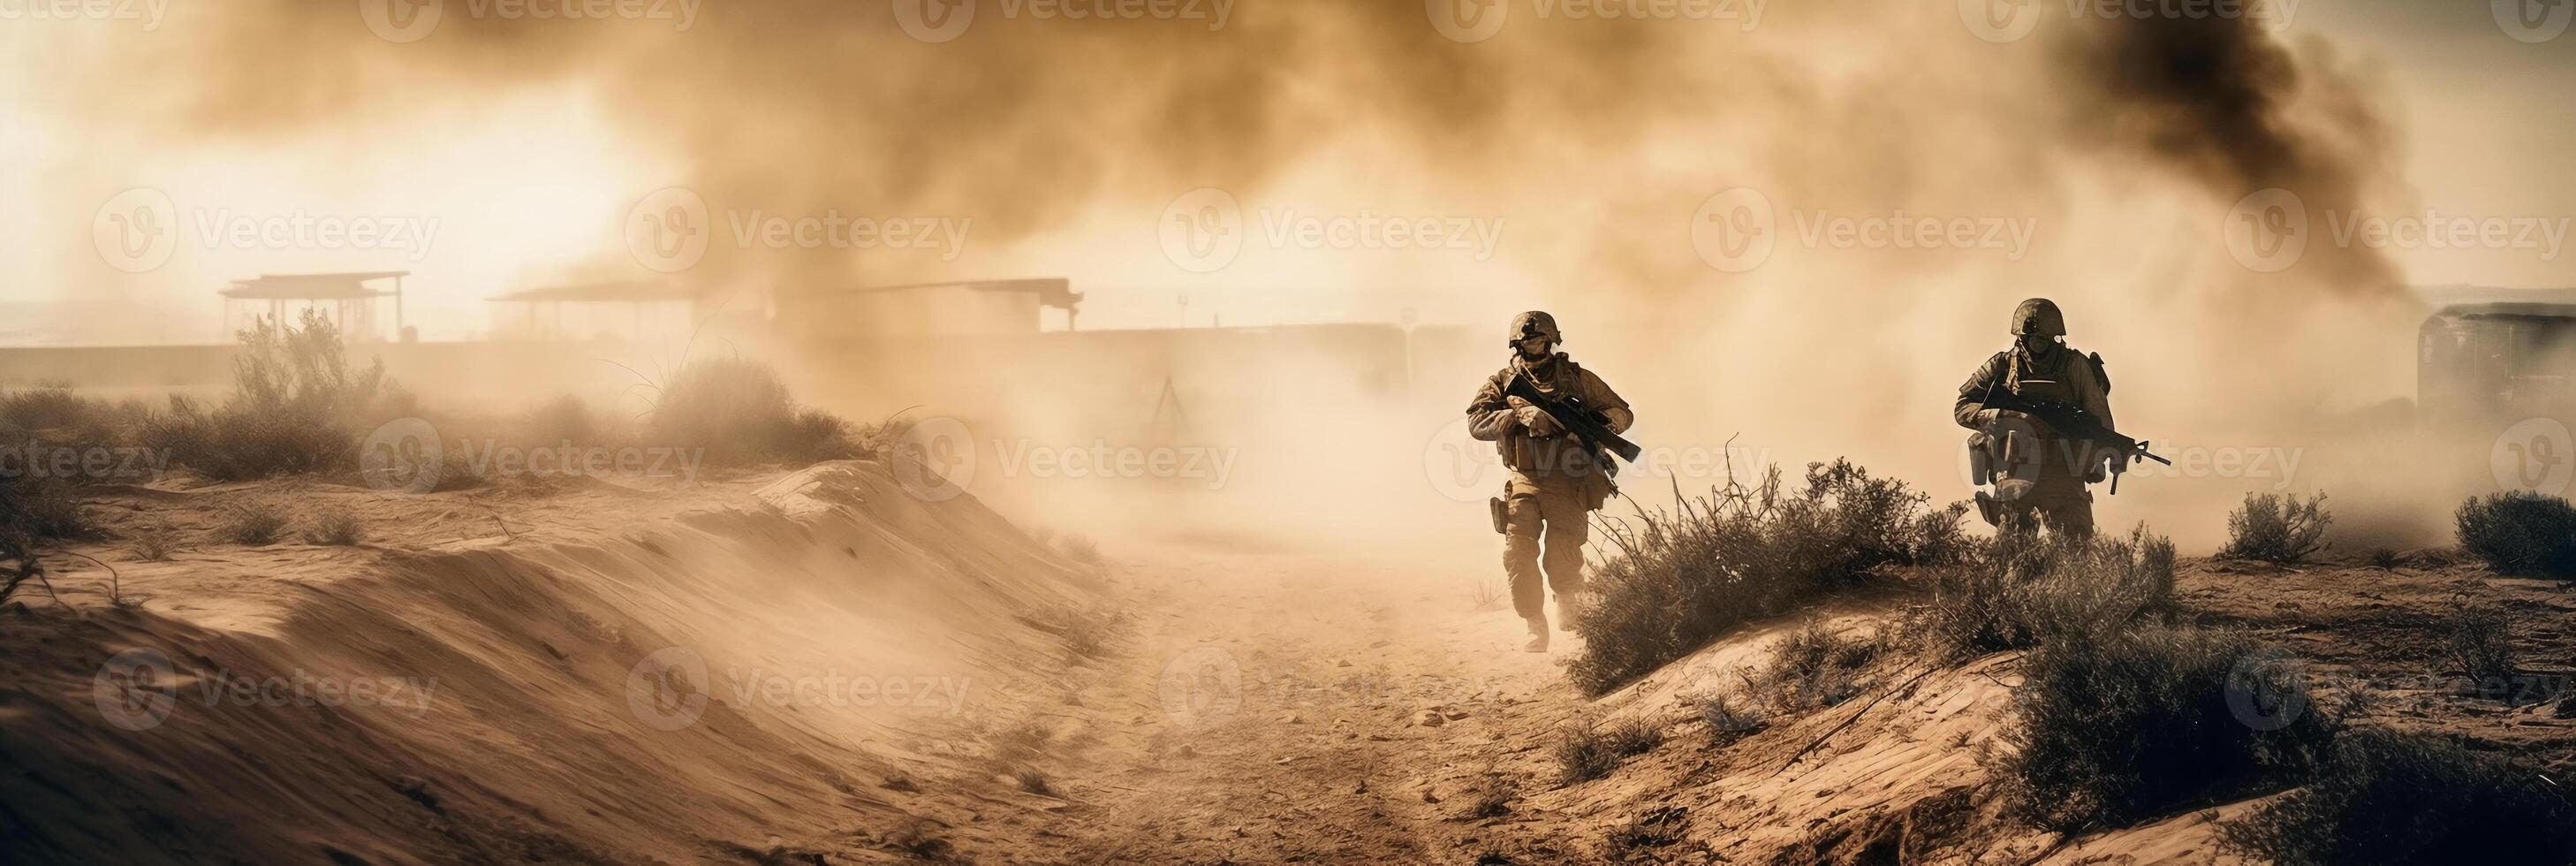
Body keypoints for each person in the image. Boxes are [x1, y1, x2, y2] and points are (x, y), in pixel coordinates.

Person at [1467, 311, 1633, 652]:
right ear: (1517, 343)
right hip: (1525, 479)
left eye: (1540, 339)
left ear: (1551, 340)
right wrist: (1516, 416)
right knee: (1518, 553)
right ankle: (1534, 623)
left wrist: (1596, 423)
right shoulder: (1502, 381)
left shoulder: (1575, 379)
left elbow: (1622, 413)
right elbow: (1476, 421)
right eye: (1528, 341)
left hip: (1568, 480)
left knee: (1562, 557)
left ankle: (1570, 609)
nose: (1535, 346)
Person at [1954, 298, 2117, 537]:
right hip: (2015, 474)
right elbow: (1963, 407)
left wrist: (2104, 454)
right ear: (2021, 338)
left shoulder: (2075, 365)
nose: (2039, 346)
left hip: (2064, 476)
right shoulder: (2002, 364)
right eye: (2034, 339)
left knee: (2077, 553)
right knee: (2013, 552)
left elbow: (2100, 420)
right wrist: (2007, 415)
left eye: (2044, 340)